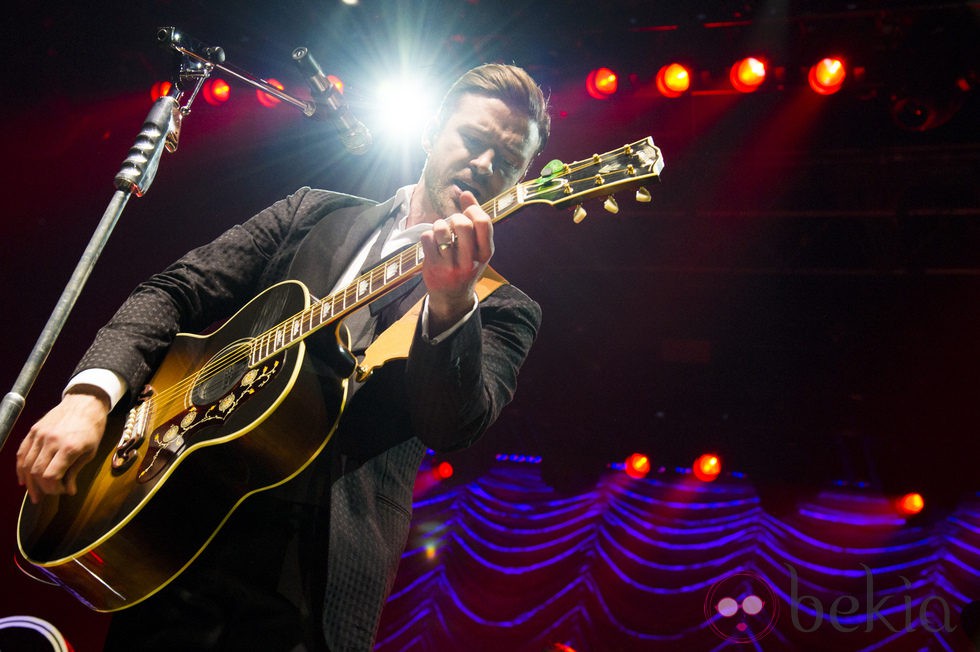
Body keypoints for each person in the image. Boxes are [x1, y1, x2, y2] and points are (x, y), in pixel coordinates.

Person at [15, 63, 551, 651]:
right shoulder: (311, 213)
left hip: (311, 575)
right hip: (176, 522)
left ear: (523, 178)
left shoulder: (500, 306)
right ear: (430, 133)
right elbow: (176, 290)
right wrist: (91, 396)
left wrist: (451, 304)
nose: (484, 165)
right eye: (473, 140)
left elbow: (452, 423)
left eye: (507, 160)